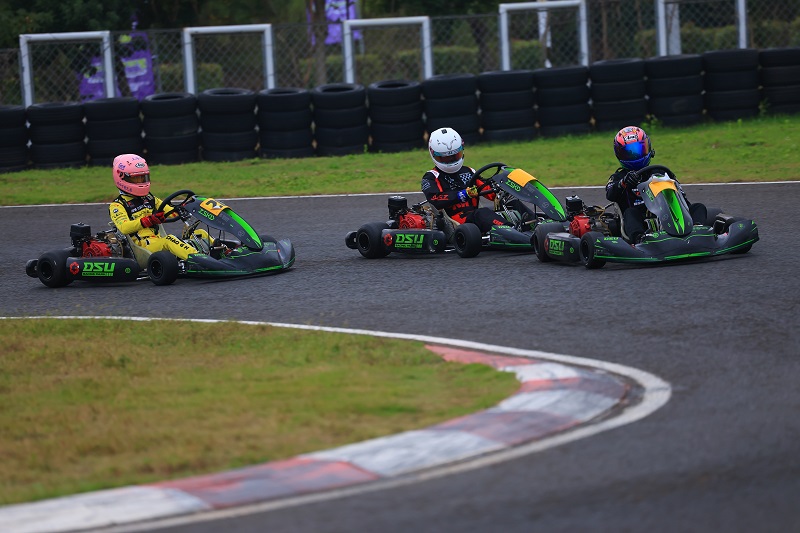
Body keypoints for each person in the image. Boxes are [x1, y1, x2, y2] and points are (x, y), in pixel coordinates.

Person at [605, 126, 707, 244]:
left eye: (640, 149)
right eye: (630, 152)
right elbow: (610, 194)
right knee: (630, 213)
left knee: (698, 207)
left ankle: (697, 231)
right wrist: (623, 182)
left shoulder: (660, 172)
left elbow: (681, 197)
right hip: (641, 219)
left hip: (668, 212)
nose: (636, 155)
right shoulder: (619, 177)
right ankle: (640, 240)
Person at [109, 153, 207, 260]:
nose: (141, 182)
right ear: (122, 177)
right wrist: (148, 221)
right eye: (136, 179)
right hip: (142, 248)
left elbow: (172, 213)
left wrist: (185, 208)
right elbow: (124, 227)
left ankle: (220, 252)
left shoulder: (150, 199)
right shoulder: (118, 205)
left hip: (158, 241)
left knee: (200, 233)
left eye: (143, 178)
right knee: (169, 239)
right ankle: (200, 260)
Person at [420, 127, 510, 233]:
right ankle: (511, 231)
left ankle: (527, 225)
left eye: (455, 156)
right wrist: (462, 195)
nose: (451, 160)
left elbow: (488, 191)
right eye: (446, 158)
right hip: (456, 224)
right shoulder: (431, 177)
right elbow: (436, 200)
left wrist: (500, 188)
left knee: (512, 204)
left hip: (476, 220)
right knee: (481, 213)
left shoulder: (469, 171)